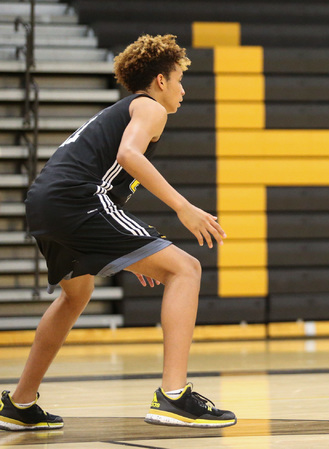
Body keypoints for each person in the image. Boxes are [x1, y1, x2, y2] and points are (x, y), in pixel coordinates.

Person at [0, 34, 236, 430]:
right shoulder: (150, 107)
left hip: (46, 203)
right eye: (179, 79)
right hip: (77, 201)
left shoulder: (123, 110)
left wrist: (135, 249)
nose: (183, 89)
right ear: (160, 80)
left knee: (76, 295)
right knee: (186, 269)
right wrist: (183, 208)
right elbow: (128, 156)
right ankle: (174, 397)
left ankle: (20, 402)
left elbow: (109, 178)